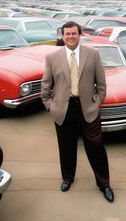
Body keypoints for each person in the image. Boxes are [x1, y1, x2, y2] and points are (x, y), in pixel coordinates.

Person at [41, 21, 114, 202]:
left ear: (79, 35)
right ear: (63, 36)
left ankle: (104, 184)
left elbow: (102, 84)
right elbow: (45, 86)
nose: (71, 37)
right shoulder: (52, 57)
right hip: (63, 110)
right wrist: (50, 105)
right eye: (67, 34)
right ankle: (67, 178)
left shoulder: (93, 54)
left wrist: (96, 103)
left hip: (88, 108)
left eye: (74, 34)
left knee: (96, 147)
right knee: (66, 147)